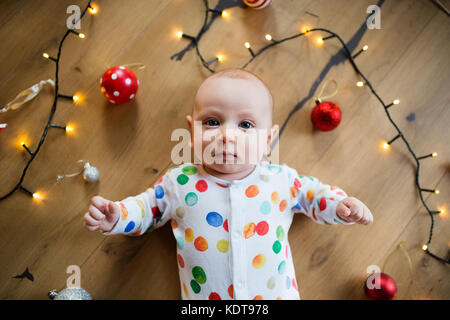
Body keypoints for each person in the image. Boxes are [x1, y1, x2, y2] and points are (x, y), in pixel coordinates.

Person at [83, 68, 373, 300]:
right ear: (191, 130)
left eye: (245, 125)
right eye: (211, 122)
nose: (226, 136)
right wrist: (119, 216)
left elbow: (315, 196)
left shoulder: (281, 180)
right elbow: (147, 209)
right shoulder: (180, 182)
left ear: (268, 139)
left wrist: (340, 205)